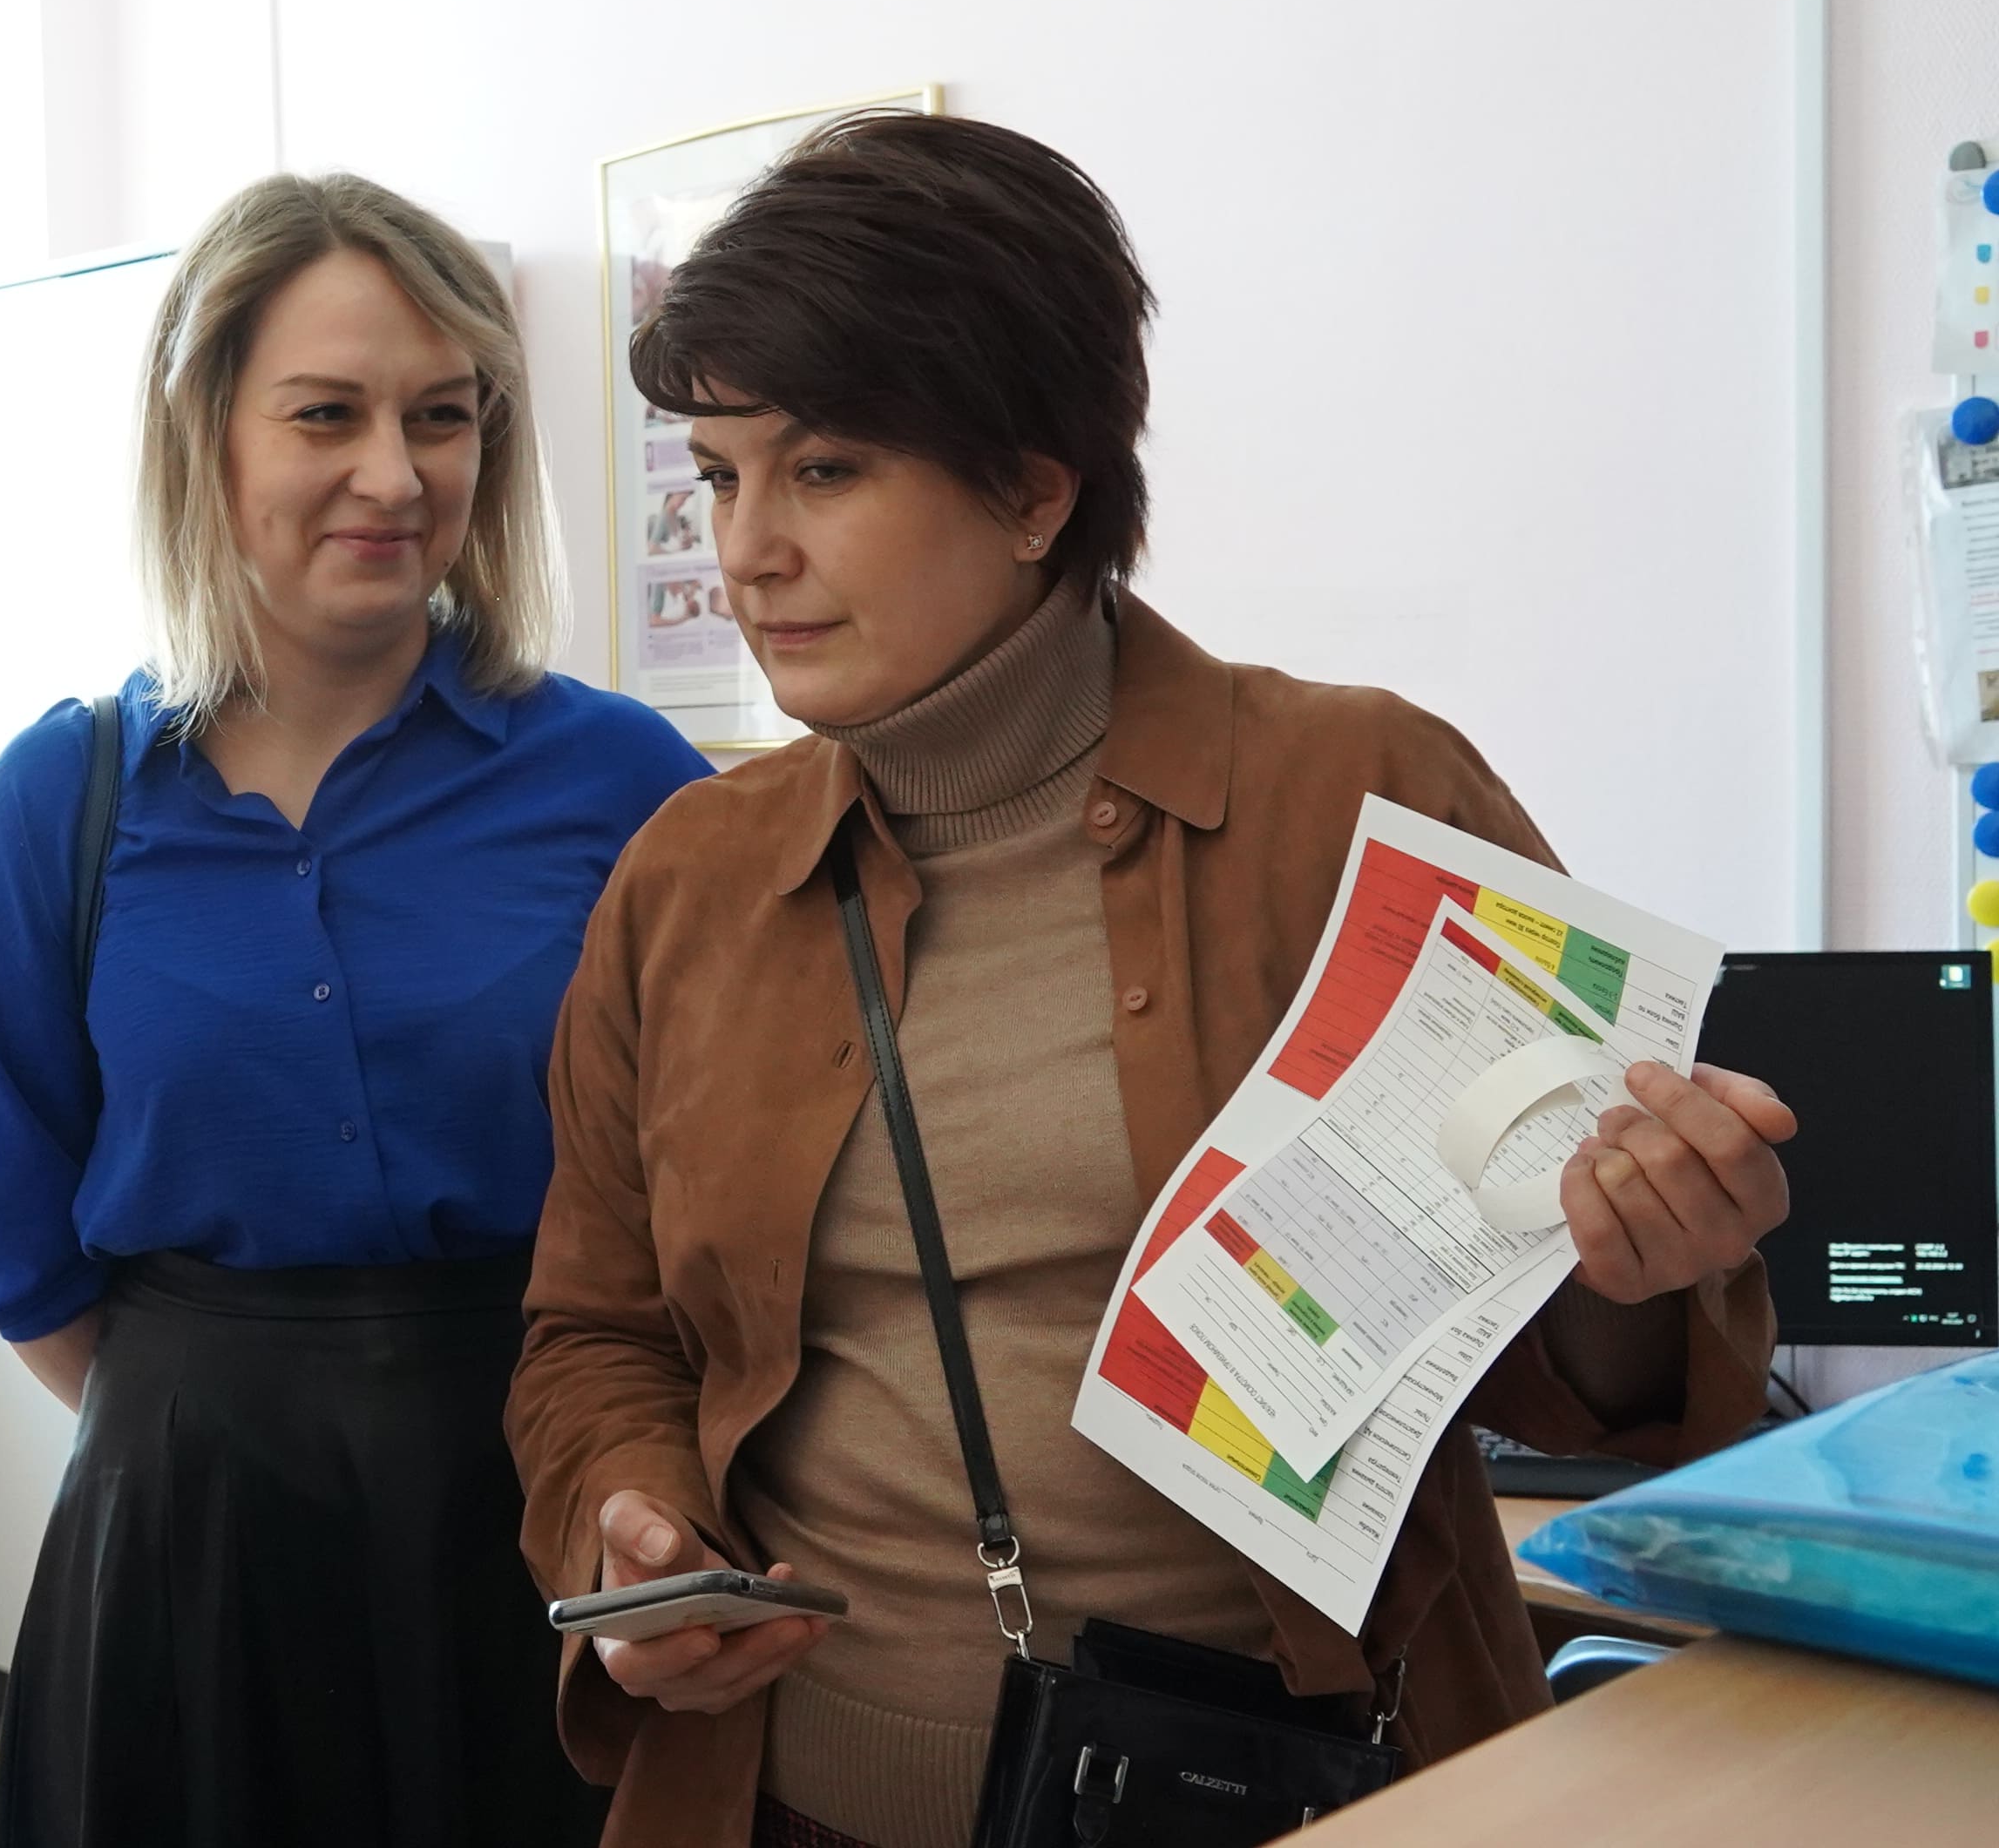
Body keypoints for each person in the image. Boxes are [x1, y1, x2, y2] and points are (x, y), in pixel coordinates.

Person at [504, 113, 1799, 1848]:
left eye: (822, 471)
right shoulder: (690, 879)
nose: (745, 551)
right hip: (782, 1803)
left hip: (1283, 1788)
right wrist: (633, 1526)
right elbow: (596, 1334)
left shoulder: (1361, 799)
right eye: (719, 474)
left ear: (1036, 491)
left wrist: (1648, 1252)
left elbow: (1561, 1355)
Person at [0, 173, 709, 1847]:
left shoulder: (622, 782)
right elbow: (4, 1234)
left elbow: (724, 1188)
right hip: (183, 1531)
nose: (395, 475)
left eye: (442, 416)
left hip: (539, 1493)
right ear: (204, 435)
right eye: (326, 415)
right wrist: (221, 1409)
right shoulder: (60, 804)